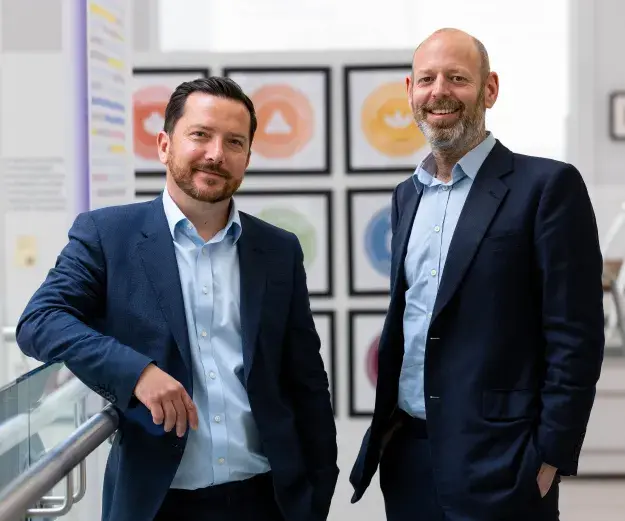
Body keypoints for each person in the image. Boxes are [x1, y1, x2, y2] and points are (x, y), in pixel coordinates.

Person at [16, 77, 338, 521]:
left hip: (267, 499)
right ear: (165, 144)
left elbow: (307, 380)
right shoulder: (107, 236)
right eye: (200, 135)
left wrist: (318, 489)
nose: (216, 154)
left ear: (247, 157)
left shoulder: (279, 250)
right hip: (158, 502)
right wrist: (137, 373)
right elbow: (40, 321)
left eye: (234, 142)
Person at [349, 28, 604, 521]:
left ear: (489, 89)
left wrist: (550, 455)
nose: (439, 90)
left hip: (504, 463)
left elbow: (576, 336)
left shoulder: (547, 187)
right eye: (427, 79)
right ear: (409, 91)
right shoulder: (407, 195)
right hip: (409, 454)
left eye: (458, 78)